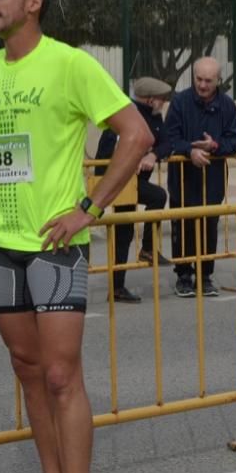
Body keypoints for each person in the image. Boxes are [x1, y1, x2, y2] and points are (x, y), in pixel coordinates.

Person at [0, 0, 152, 473]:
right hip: (1, 246)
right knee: (28, 370)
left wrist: (89, 209)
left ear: (32, 1)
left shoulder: (70, 65)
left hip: (56, 248)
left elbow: (136, 135)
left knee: (62, 376)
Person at [165, 57, 236, 298]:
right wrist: (190, 151)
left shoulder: (227, 106)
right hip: (183, 179)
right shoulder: (180, 102)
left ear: (218, 80)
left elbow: (234, 140)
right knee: (184, 226)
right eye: (199, 79)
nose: (203, 85)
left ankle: (205, 275)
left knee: (209, 227)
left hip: (213, 180)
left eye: (208, 80)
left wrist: (214, 145)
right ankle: (183, 275)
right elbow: (169, 139)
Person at [94, 76, 173, 303]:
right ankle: (143, 254)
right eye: (161, 99)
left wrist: (153, 154)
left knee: (125, 232)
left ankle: (120, 284)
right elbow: (105, 156)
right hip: (119, 183)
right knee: (125, 228)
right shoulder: (125, 118)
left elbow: (168, 143)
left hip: (134, 183)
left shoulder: (155, 119)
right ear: (150, 100)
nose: (164, 103)